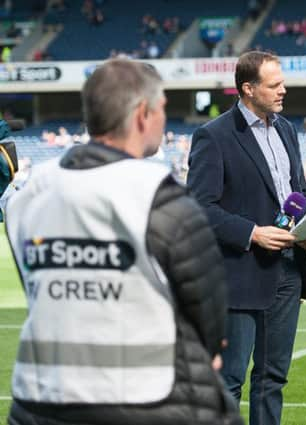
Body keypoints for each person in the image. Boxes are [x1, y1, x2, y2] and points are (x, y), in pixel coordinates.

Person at [5, 58, 241, 425]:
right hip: (146, 400)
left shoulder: (27, 195)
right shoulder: (161, 197)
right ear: (143, 115)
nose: (165, 121)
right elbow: (208, 314)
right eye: (162, 109)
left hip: (37, 400)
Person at [187, 50, 306, 425]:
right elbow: (199, 207)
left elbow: (298, 193)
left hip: (288, 270)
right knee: (229, 380)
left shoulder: (287, 130)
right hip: (238, 275)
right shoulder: (213, 136)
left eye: (283, 82)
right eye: (274, 84)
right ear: (248, 89)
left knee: (273, 378)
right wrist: (252, 233)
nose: (283, 90)